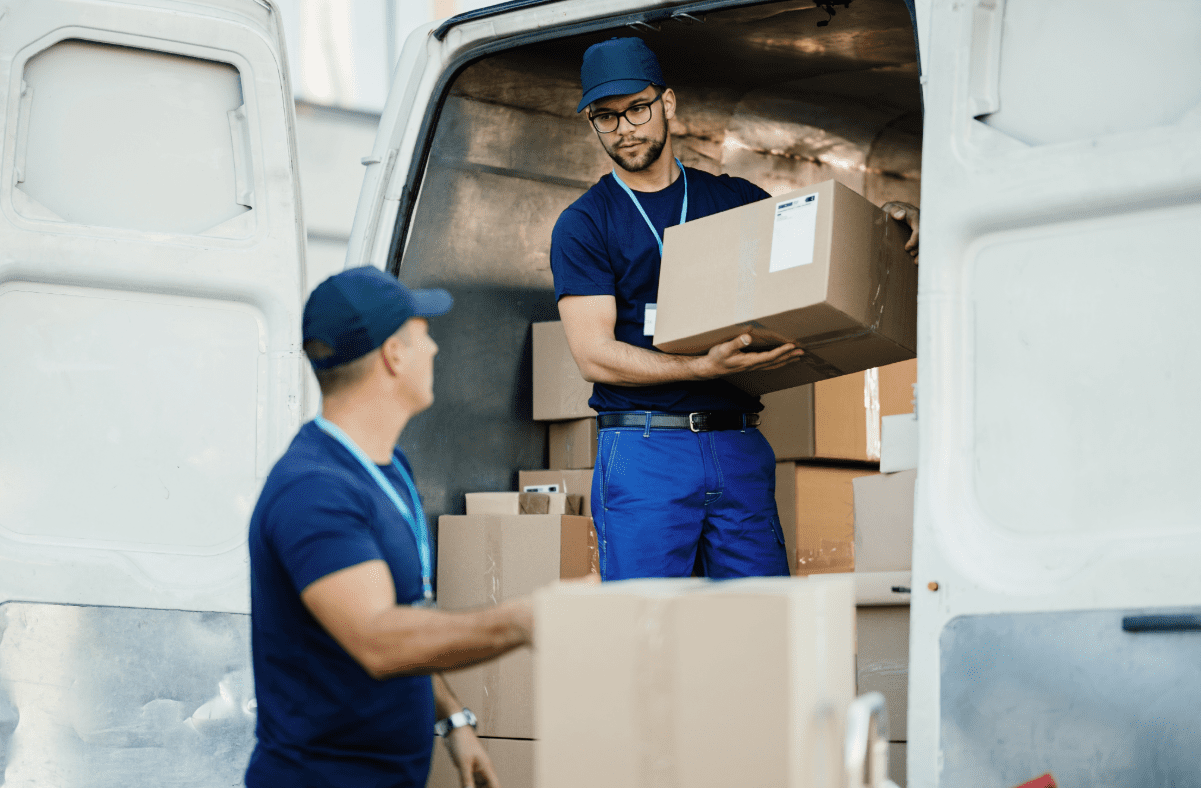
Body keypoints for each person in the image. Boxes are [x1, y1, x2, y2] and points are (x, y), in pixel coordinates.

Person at [549, 37, 919, 581]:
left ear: (667, 104)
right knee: (646, 629)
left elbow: (814, 261)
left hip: (737, 442)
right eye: (606, 117)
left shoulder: (735, 200)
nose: (625, 128)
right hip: (645, 447)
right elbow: (594, 355)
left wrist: (888, 218)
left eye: (636, 108)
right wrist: (698, 368)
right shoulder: (585, 222)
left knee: (762, 622)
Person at [245, 266, 530, 788]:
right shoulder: (313, 491)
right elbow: (378, 639)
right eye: (425, 336)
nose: (436, 351)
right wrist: (527, 620)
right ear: (393, 356)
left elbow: (405, 614)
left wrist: (452, 719)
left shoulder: (387, 468)